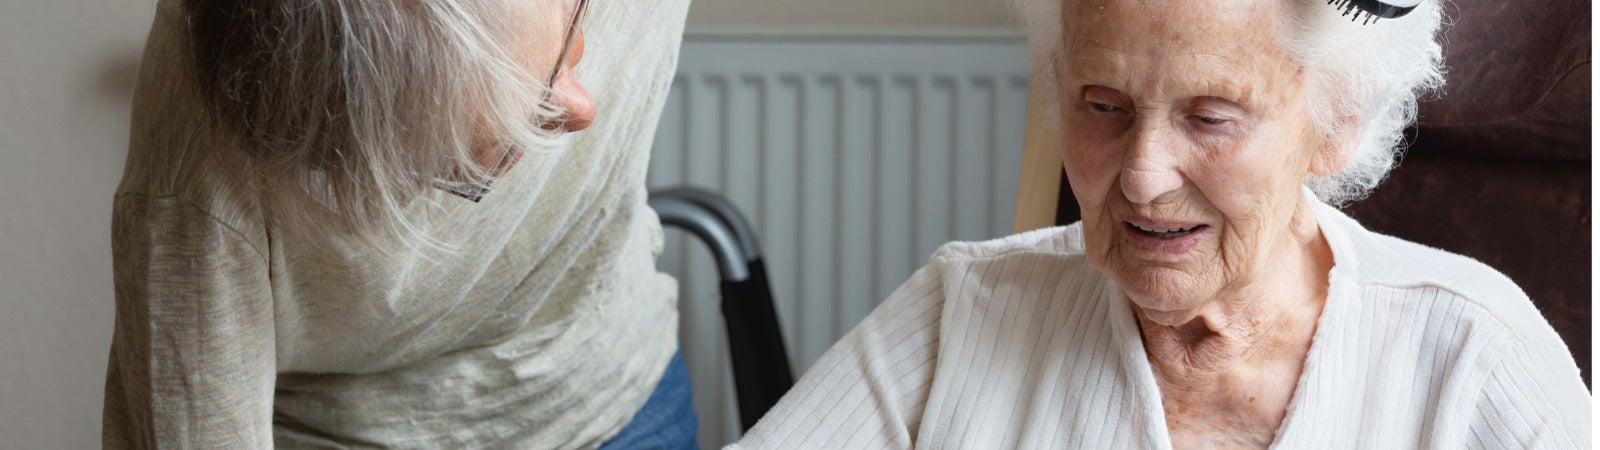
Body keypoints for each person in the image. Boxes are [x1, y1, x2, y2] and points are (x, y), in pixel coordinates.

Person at [732, 0, 1590, 447]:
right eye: (1102, 106)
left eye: (1211, 118)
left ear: (1336, 121)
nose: (1140, 175)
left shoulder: (1472, 361)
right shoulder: (963, 314)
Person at [102, 0, 697, 448]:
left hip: (623, 387)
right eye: (460, 165)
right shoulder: (192, 185)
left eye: (573, 26)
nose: (582, 109)